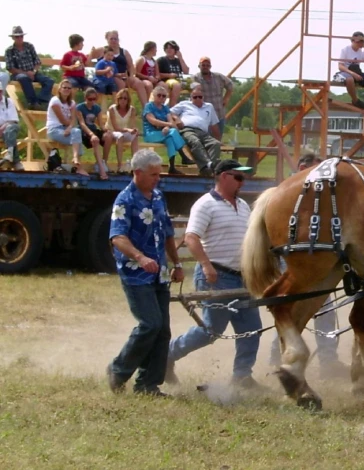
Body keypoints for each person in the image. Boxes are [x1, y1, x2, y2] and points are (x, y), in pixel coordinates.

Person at [167, 159, 264, 390]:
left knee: (251, 330)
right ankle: (166, 356)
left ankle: (242, 376)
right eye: (238, 177)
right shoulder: (205, 204)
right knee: (210, 332)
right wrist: (206, 265)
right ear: (222, 176)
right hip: (216, 276)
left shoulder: (242, 205)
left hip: (242, 278)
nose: (243, 181)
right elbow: (191, 237)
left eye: (243, 177)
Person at [106, 149, 185, 396]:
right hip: (135, 273)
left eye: (158, 174)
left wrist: (177, 264)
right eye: (153, 174)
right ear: (137, 172)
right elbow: (117, 237)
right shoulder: (125, 200)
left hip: (160, 273)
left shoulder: (159, 196)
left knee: (162, 330)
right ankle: (117, 371)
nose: (157, 179)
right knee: (150, 324)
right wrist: (140, 257)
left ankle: (148, 385)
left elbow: (169, 233)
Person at [268, 153, 347, 377]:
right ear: (303, 168)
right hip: (295, 260)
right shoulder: (290, 193)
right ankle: (278, 356)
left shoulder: (316, 196)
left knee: (326, 312)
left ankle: (329, 360)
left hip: (318, 258)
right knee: (289, 310)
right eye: (316, 169)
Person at [89, 30, 151, 108]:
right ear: (107, 39)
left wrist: (132, 75)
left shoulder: (124, 52)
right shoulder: (102, 50)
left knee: (139, 83)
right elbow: (88, 59)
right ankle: (119, 108)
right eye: (111, 39)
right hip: (110, 76)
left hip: (123, 75)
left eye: (116, 39)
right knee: (121, 83)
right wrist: (91, 54)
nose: (114, 41)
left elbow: (131, 66)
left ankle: (146, 109)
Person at [170, 86, 221, 177]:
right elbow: (170, 112)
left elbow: (214, 125)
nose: (197, 99)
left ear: (203, 97)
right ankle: (208, 165)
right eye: (195, 97)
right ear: (191, 98)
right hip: (187, 130)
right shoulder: (184, 104)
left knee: (215, 144)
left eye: (200, 97)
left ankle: (208, 170)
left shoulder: (209, 106)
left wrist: (219, 139)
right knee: (195, 142)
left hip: (203, 132)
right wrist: (176, 119)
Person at [142, 85, 190, 175]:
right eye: (159, 95)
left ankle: (172, 167)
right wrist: (168, 125)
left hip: (164, 134)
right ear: (154, 95)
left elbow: (171, 122)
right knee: (173, 132)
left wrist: (167, 127)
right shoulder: (148, 106)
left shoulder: (165, 108)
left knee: (170, 139)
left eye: (164, 96)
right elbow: (153, 121)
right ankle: (184, 157)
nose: (161, 97)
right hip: (151, 134)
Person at [4, 26, 54, 109]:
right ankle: (32, 102)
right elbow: (10, 68)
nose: (20, 38)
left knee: (49, 81)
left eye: (21, 36)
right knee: (24, 78)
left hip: (33, 72)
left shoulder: (29, 46)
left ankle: (41, 100)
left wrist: (33, 71)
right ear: (13, 38)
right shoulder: (9, 50)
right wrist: (26, 73)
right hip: (18, 74)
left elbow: (37, 62)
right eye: (17, 36)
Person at [46, 79, 87, 175]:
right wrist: (70, 125)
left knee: (77, 132)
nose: (67, 89)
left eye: (69, 88)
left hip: (66, 128)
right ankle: (78, 167)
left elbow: (73, 119)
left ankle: (76, 160)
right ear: (60, 89)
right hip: (54, 129)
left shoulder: (72, 103)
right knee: (77, 137)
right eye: (64, 87)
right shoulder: (55, 100)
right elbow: (62, 120)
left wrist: (69, 127)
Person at [336, 31, 364, 112]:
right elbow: (340, 66)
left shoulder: (361, 52)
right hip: (346, 72)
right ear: (353, 40)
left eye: (362, 41)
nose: (359, 43)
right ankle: (355, 100)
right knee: (349, 79)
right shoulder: (345, 50)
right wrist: (352, 74)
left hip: (357, 71)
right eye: (358, 41)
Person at [76, 88, 112, 180]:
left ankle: (103, 161)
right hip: (83, 131)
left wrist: (105, 130)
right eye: (90, 99)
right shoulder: (79, 108)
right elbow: (82, 123)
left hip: (93, 129)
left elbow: (100, 124)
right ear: (85, 98)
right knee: (95, 139)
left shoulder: (97, 108)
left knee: (108, 136)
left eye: (94, 99)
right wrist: (91, 134)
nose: (92, 101)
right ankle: (100, 168)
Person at [192, 56, 233, 137]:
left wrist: (226, 98)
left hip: (218, 114)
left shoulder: (218, 76)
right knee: (204, 141)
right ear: (199, 66)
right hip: (203, 115)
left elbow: (230, 85)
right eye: (203, 65)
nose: (205, 67)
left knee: (217, 141)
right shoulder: (195, 78)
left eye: (207, 65)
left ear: (210, 67)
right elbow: (191, 90)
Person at [106, 89, 140, 174]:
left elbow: (132, 125)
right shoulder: (112, 109)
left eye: (125, 98)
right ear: (117, 99)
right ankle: (119, 166)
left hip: (123, 131)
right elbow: (116, 128)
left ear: (128, 100)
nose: (123, 100)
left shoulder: (132, 109)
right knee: (120, 136)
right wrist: (128, 130)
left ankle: (134, 165)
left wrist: (134, 130)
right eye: (121, 98)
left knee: (135, 136)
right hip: (111, 132)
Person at [0, 74, 23, 170]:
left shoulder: (8, 101)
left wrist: (2, 128)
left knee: (10, 129)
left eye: (0, 91)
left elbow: (13, 119)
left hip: (10, 126)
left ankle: (10, 153)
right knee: (10, 134)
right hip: (5, 129)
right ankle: (16, 161)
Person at [157, 41, 189, 107]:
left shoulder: (178, 60)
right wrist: (169, 75)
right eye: (167, 48)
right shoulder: (161, 60)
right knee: (176, 85)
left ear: (175, 50)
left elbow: (186, 71)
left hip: (179, 81)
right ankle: (171, 107)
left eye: (171, 48)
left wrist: (180, 57)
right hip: (166, 81)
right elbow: (157, 74)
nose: (168, 50)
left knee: (195, 85)